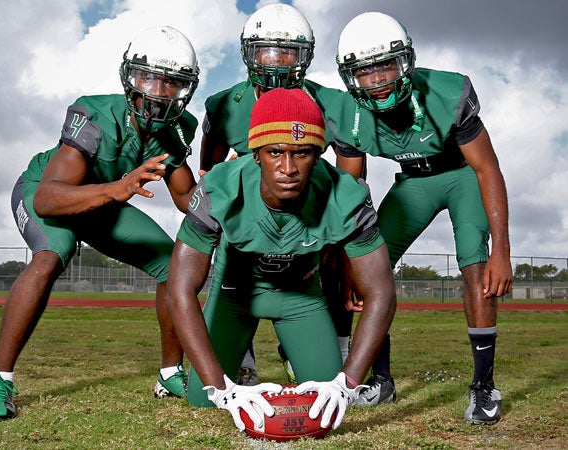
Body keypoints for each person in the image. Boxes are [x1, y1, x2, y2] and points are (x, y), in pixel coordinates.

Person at [0, 26, 200, 420]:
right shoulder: (96, 113)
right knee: (50, 255)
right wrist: (115, 188)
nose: (160, 90)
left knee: (173, 261)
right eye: (150, 77)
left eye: (172, 82)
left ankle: (169, 374)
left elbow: (185, 198)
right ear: (130, 77)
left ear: (185, 88)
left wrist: (225, 191)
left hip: (105, 200)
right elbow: (48, 197)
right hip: (49, 193)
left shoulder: (177, 129)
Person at [166, 88, 397, 432]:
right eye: (276, 152)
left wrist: (347, 385)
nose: (288, 168)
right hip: (234, 295)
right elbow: (180, 288)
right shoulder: (220, 187)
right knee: (204, 398)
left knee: (324, 400)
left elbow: (381, 292)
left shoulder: (346, 195)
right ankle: (233, 369)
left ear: (318, 156)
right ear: (255, 153)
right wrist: (223, 389)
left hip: (300, 297)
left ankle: (296, 357)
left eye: (302, 153)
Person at [332, 12, 513, 424]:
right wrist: (347, 257)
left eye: (385, 65)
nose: (377, 79)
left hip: (463, 175)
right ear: (350, 76)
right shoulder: (347, 113)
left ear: (405, 61)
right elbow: (348, 189)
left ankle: (484, 387)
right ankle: (381, 381)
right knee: (368, 268)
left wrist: (502, 248)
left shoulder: (446, 92)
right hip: (412, 182)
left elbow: (487, 169)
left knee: (476, 266)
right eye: (365, 71)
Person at [200, 2, 357, 387]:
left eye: (287, 52)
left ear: (304, 58)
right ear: (248, 54)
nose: (275, 63)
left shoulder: (330, 102)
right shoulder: (225, 104)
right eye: (265, 51)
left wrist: (336, 218)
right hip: (251, 212)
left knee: (337, 258)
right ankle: (243, 352)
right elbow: (209, 169)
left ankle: (329, 346)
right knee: (234, 263)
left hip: (309, 210)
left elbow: (352, 169)